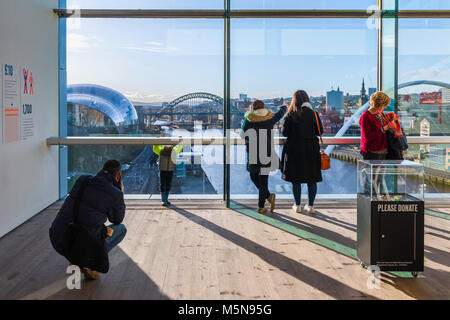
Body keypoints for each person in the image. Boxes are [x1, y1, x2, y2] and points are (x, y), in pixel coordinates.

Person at [49, 160, 126, 280]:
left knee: (87, 224)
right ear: (118, 176)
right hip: (81, 243)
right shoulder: (115, 193)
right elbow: (117, 219)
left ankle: (76, 257)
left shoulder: (82, 180)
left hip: (58, 238)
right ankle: (88, 262)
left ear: (101, 170)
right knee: (121, 229)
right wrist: (120, 193)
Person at [281, 90, 323, 214]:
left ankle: (297, 205)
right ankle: (310, 206)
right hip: (311, 149)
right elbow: (320, 131)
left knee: (296, 179)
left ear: (294, 101)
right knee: (312, 178)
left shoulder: (291, 115)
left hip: (294, 149)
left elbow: (284, 133)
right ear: (306, 99)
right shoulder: (314, 114)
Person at [241, 100, 287, 214]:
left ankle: (265, 201)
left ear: (252, 108)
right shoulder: (269, 118)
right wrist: (284, 107)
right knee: (264, 179)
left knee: (253, 176)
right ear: (263, 108)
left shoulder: (249, 119)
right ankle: (264, 202)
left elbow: (243, 133)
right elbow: (279, 115)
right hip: (266, 151)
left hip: (253, 152)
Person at [360, 91, 396, 160]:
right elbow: (367, 137)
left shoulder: (380, 113)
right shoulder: (365, 117)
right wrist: (383, 129)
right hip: (372, 152)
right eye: (384, 105)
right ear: (378, 104)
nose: (385, 107)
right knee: (373, 170)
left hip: (383, 150)